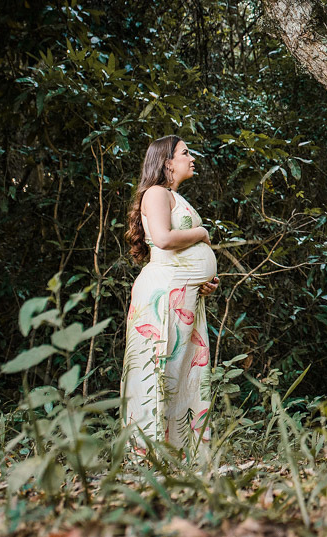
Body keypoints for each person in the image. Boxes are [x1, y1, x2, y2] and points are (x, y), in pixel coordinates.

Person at [120, 135, 220, 463]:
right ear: (167, 163)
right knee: (160, 371)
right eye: (185, 153)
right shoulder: (156, 193)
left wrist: (204, 281)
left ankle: (180, 456)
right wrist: (202, 233)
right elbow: (163, 239)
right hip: (164, 295)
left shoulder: (173, 196)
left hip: (184, 296)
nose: (192, 158)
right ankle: (148, 458)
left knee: (184, 375)